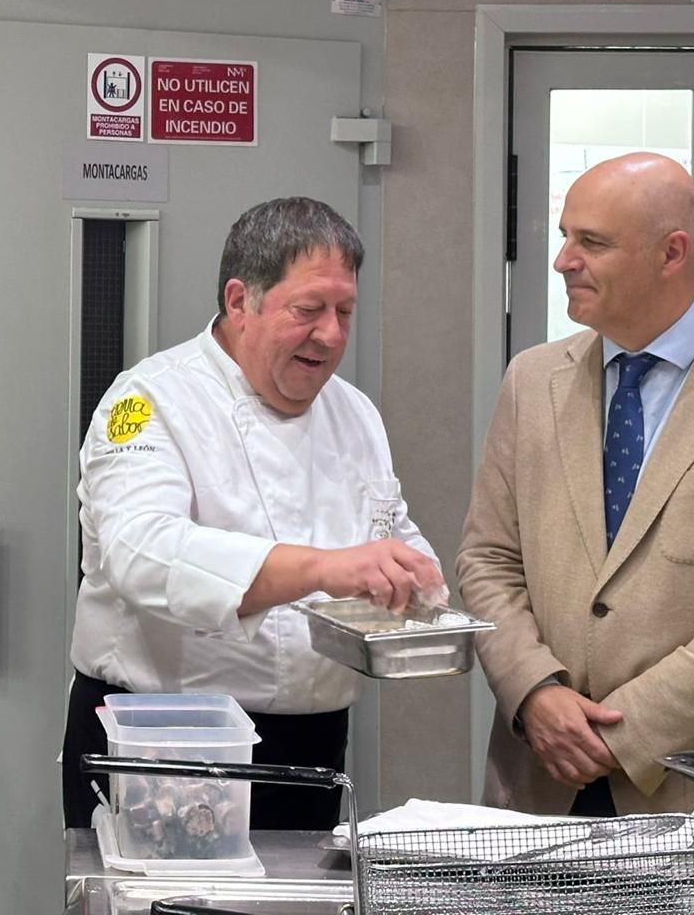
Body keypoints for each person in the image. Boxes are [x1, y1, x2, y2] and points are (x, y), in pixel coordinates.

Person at [458, 152, 694, 817]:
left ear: (672, 253)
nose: (563, 261)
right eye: (565, 237)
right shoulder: (531, 382)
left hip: (689, 795)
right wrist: (534, 691)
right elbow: (488, 558)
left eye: (592, 242)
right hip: (537, 783)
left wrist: (622, 732)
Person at [62, 196, 444, 832]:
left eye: (345, 312)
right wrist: (323, 569)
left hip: (314, 745)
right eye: (309, 310)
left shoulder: (355, 414)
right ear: (240, 301)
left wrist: (414, 576)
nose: (332, 334)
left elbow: (385, 528)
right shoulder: (147, 400)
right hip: (165, 744)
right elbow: (142, 553)